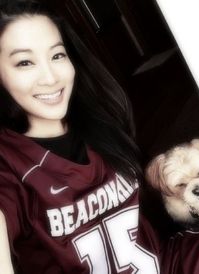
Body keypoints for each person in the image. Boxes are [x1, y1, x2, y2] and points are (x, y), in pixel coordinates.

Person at [0, 0, 161, 273]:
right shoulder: (9, 164)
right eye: (25, 62)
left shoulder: (100, 122)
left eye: (57, 55)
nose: (50, 78)